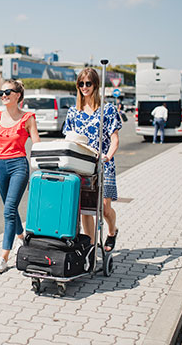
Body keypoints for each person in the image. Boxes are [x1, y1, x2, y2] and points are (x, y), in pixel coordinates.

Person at [62, 67, 122, 251]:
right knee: (85, 209)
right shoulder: (73, 111)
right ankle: (90, 245)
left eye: (88, 83)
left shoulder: (108, 110)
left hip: (103, 165)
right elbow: (69, 139)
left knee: (104, 208)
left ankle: (112, 232)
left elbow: (115, 140)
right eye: (81, 83)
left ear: (95, 84)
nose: (84, 87)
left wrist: (107, 156)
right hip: (81, 165)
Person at [0, 79, 40, 273]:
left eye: (8, 92)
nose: (3, 96)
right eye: (1, 92)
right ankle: (21, 238)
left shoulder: (28, 118)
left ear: (18, 95)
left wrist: (40, 168)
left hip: (18, 166)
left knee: (9, 210)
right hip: (0, 167)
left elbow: (37, 144)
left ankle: (3, 257)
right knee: (10, 209)